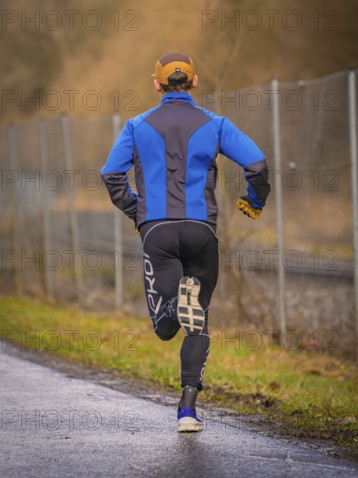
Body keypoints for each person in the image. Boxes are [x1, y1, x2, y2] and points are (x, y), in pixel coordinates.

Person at [101, 52, 270, 433]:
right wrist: (254, 202)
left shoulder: (135, 125)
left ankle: (177, 302)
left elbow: (111, 175)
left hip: (158, 232)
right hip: (201, 232)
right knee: (199, 323)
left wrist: (138, 213)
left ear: (156, 84)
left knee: (165, 327)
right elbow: (258, 166)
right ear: (194, 83)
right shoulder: (216, 124)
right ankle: (188, 412)